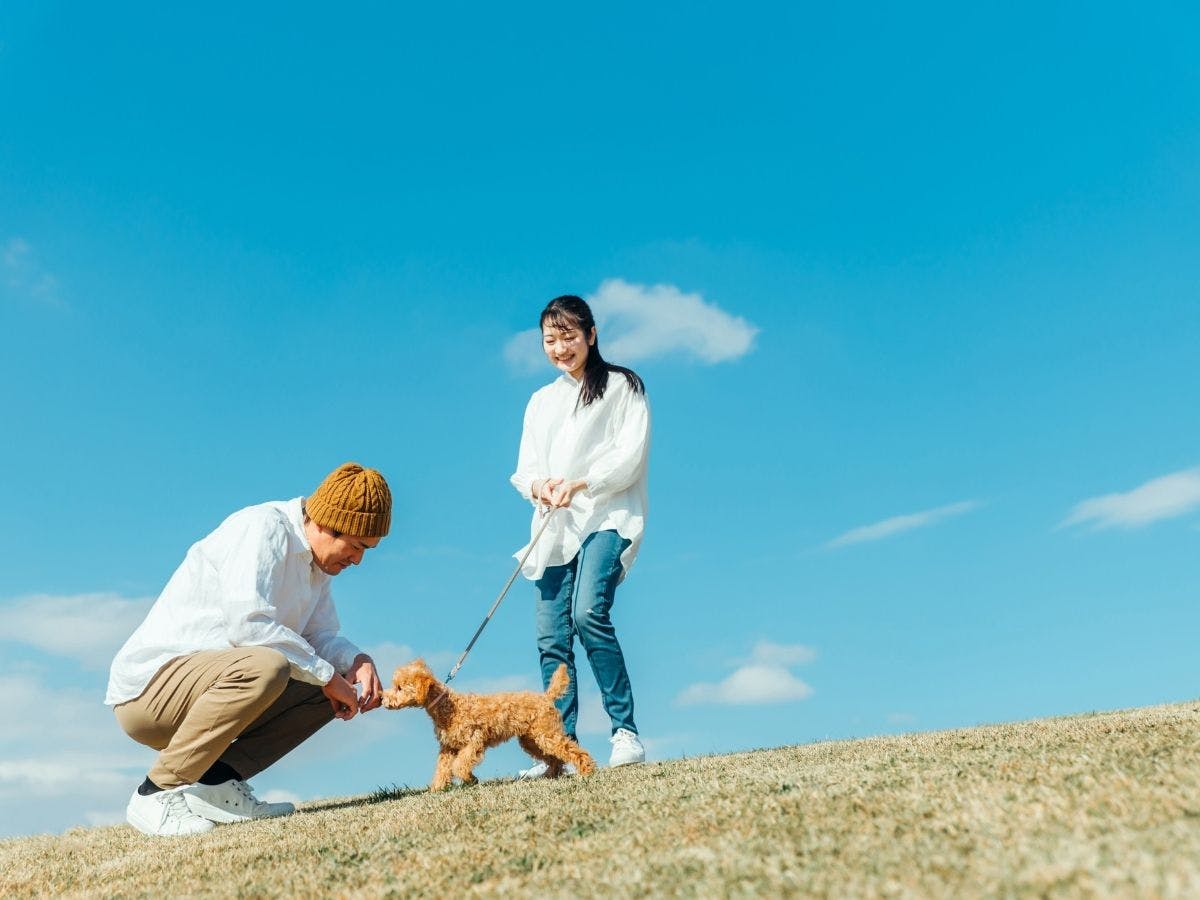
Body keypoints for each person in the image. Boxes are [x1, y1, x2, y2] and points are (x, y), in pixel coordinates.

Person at [105, 462, 391, 837]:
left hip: (216, 685)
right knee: (273, 664)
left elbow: (319, 636)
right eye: (355, 546)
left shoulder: (316, 569)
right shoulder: (262, 529)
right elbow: (250, 627)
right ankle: (155, 792)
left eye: (366, 549)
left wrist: (356, 661)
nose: (358, 560)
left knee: (329, 686)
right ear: (324, 523)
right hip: (150, 694)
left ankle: (216, 783)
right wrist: (325, 673)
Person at [510, 295, 650, 775]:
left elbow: (629, 457)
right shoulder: (540, 401)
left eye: (569, 336)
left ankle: (624, 731)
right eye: (550, 339)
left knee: (589, 613)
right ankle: (558, 750)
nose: (560, 347)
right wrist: (540, 485)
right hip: (554, 527)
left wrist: (581, 482)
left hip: (606, 516)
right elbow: (523, 469)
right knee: (551, 636)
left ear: (591, 334)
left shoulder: (621, 386)